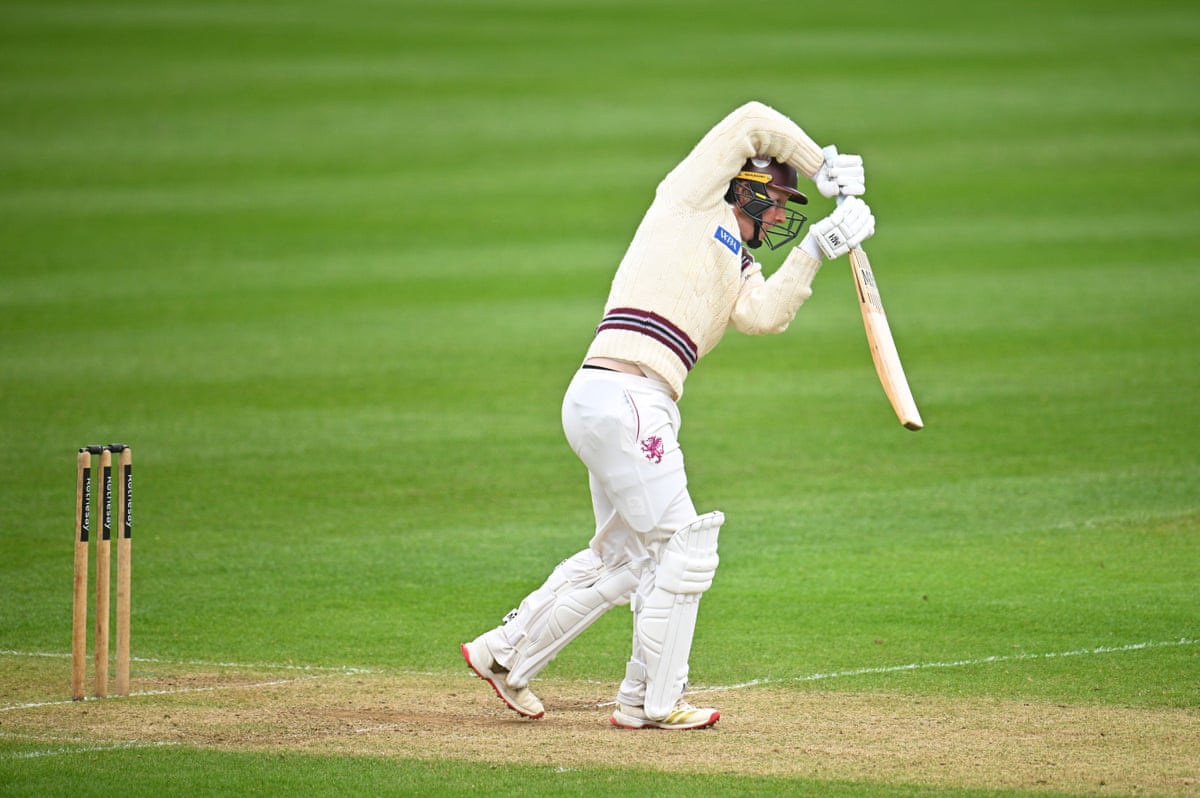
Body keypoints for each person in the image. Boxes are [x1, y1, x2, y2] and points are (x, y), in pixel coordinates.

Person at [461, 100, 873, 730]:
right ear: (748, 189)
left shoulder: (738, 258)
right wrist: (821, 166)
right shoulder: (691, 198)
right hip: (625, 395)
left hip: (618, 399)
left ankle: (504, 652)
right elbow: (752, 120)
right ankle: (654, 702)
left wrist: (819, 247)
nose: (786, 216)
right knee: (685, 545)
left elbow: (764, 316)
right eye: (783, 203)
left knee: (625, 559)